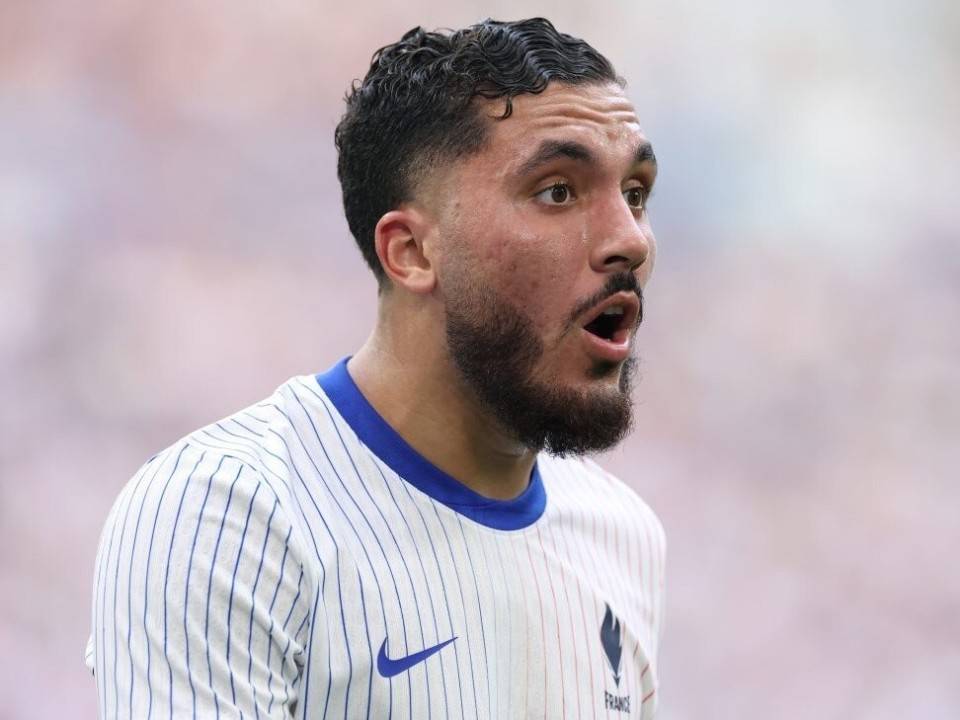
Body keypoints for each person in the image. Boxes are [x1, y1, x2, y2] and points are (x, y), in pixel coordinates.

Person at [87, 17, 665, 719]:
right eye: (558, 192)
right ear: (411, 252)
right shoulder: (228, 516)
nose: (631, 240)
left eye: (635, 193)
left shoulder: (623, 535)